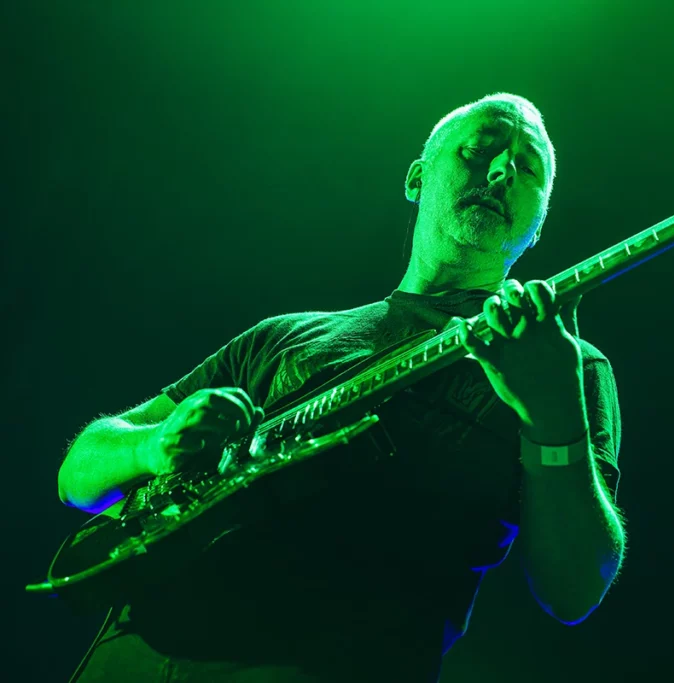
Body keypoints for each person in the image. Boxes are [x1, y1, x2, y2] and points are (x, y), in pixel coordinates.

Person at [56, 92, 626, 683]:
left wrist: (555, 414)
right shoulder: (283, 336)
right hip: (124, 658)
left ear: (538, 226)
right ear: (416, 177)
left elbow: (575, 591)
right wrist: (152, 446)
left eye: (527, 168)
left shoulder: (565, 364)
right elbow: (78, 476)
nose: (503, 168)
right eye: (479, 150)